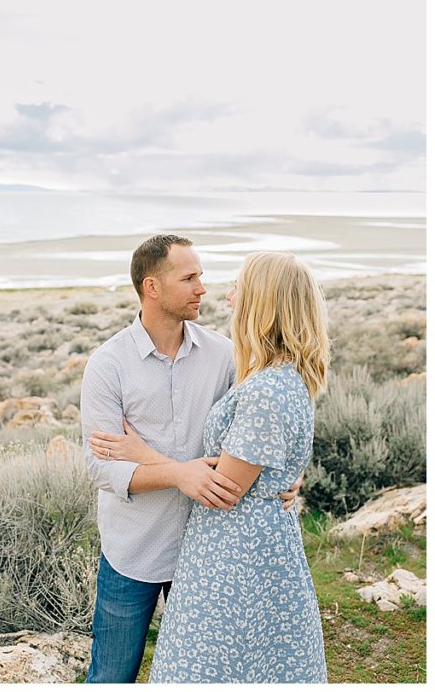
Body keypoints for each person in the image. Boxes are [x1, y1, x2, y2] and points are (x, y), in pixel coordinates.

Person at [80, 235, 301, 683]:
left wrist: (286, 476)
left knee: (203, 676)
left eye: (201, 275)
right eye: (190, 278)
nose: (203, 287)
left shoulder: (225, 354)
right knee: (111, 676)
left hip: (208, 556)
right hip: (133, 552)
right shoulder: (108, 365)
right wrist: (179, 474)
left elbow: (259, 427)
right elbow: (101, 467)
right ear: (152, 287)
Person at [142, 252, 328, 682]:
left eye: (240, 288)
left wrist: (138, 450)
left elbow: (225, 489)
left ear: (263, 304)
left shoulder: (266, 389)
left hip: (237, 557)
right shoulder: (281, 377)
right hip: (252, 545)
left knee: (217, 666)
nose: (228, 296)